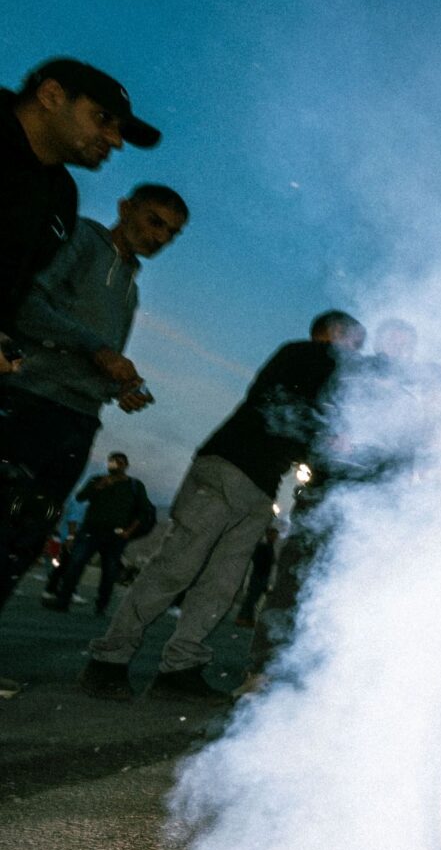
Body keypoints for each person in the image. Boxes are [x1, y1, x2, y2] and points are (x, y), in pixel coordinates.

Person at [80, 310, 367, 701]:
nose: (357, 353)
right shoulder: (306, 354)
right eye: (355, 342)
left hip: (261, 486)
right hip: (228, 468)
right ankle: (108, 661)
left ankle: (180, 669)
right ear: (334, 333)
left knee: (222, 583)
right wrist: (329, 434)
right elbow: (279, 405)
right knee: (176, 566)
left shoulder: (318, 372)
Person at [0, 183, 188, 613]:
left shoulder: (131, 288)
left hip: (80, 421)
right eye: (154, 222)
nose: (160, 237)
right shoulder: (83, 238)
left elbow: (98, 357)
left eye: (171, 233)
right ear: (125, 208)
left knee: (24, 542)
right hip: (32, 402)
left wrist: (119, 388)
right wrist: (98, 350)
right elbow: (30, 305)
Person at [1, 58, 160, 361]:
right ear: (51, 95)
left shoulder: (61, 197)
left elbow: (17, 293)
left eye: (120, 129)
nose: (116, 141)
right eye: (103, 118)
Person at [47, 452, 154, 614]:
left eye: (119, 462)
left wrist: (129, 531)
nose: (115, 465)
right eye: (112, 462)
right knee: (75, 564)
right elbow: (80, 497)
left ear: (126, 465)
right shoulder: (97, 480)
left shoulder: (134, 486)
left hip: (115, 535)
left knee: (109, 571)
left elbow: (143, 511)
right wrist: (98, 486)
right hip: (90, 531)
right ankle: (63, 601)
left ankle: (101, 605)